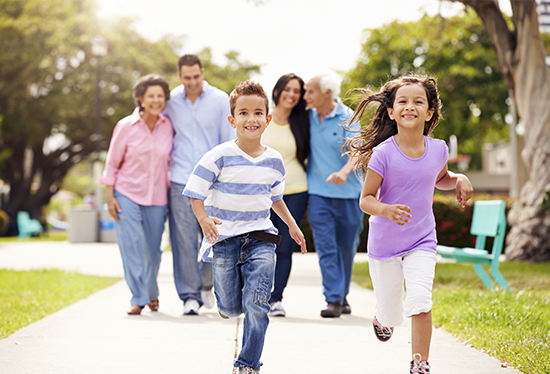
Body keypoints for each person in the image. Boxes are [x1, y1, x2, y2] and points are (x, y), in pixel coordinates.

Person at [344, 75, 473, 374]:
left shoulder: (439, 149)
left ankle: (420, 364)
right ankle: (382, 319)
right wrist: (386, 209)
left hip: (422, 240)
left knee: (420, 299)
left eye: (418, 101)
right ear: (391, 111)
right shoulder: (383, 153)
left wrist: (459, 178)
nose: (410, 106)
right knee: (391, 314)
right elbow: (366, 199)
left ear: (429, 112)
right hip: (385, 244)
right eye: (402, 101)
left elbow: (440, 177)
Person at [183, 81, 307, 374]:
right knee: (228, 307)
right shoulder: (219, 156)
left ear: (268, 118)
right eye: (243, 113)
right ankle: (232, 305)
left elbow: (275, 199)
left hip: (262, 238)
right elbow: (195, 192)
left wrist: (291, 225)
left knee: (257, 304)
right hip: (225, 240)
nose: (251, 119)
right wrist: (203, 219)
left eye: (257, 113)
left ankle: (248, 364)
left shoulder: (275, 161)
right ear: (232, 119)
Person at [163, 54, 234, 315]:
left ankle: (206, 285)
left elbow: (228, 140)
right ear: (180, 76)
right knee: (182, 240)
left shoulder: (220, 100)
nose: (192, 82)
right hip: (179, 179)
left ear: (202, 73)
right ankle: (189, 297)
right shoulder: (169, 101)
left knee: (212, 236)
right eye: (187, 77)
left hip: (211, 182)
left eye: (196, 76)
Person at [100, 74, 173, 315]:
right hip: (126, 194)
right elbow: (112, 164)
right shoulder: (125, 127)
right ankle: (138, 297)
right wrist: (109, 196)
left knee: (153, 250)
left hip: (157, 197)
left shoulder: (168, 126)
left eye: (160, 96)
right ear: (141, 98)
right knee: (131, 246)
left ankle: (151, 292)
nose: (155, 100)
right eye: (150, 95)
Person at [304, 74, 363, 318]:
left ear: (327, 93)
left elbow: (357, 152)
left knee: (346, 248)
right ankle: (333, 299)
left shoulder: (347, 117)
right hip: (318, 193)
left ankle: (342, 293)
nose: (305, 96)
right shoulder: (305, 117)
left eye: (310, 92)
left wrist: (344, 172)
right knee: (327, 247)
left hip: (349, 194)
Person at [262, 73, 310, 317]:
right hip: (261, 194)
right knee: (260, 244)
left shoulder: (302, 122)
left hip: (295, 190)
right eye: (288, 89)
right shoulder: (263, 118)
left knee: (284, 245)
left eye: (297, 91)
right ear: (278, 91)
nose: (292, 95)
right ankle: (256, 294)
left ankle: (276, 298)